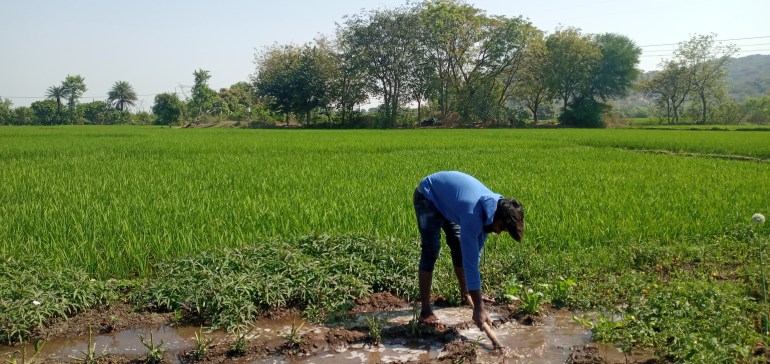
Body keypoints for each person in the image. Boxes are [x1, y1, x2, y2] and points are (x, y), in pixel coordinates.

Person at [413, 171, 524, 329]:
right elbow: (470, 263)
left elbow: (475, 253)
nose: (499, 232)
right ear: (496, 217)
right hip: (428, 196)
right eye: (500, 227)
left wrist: (475, 294)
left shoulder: (493, 209)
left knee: (459, 246)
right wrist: (479, 308)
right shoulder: (473, 213)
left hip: (449, 201)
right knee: (431, 249)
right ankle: (425, 311)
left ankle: (466, 294)